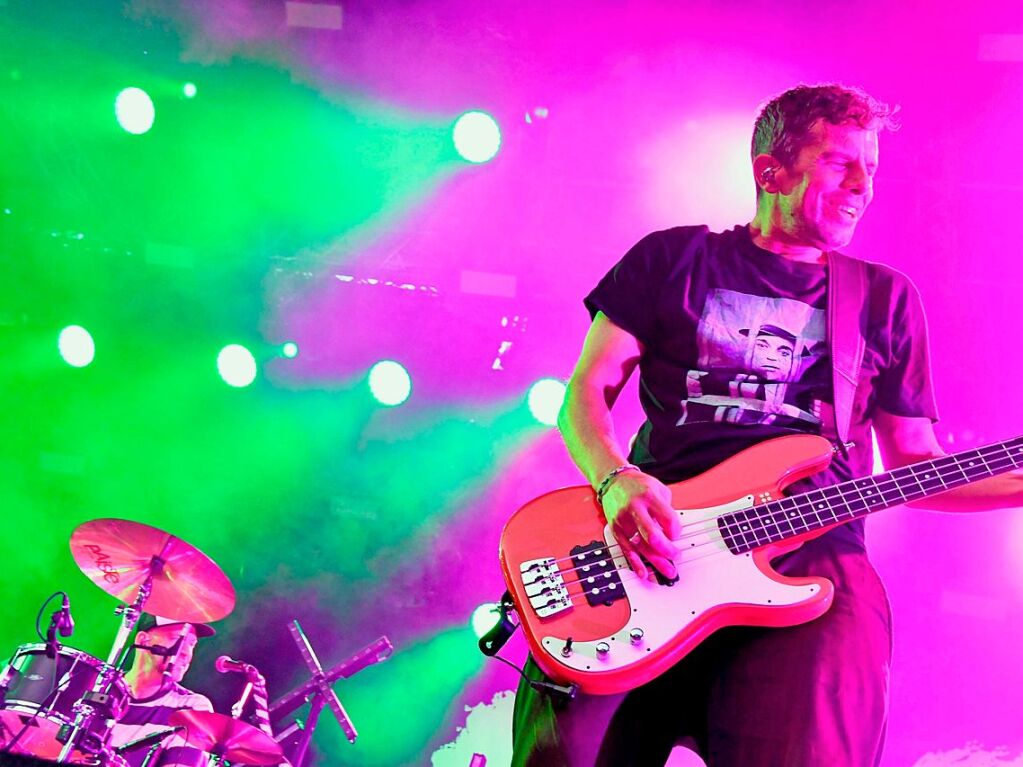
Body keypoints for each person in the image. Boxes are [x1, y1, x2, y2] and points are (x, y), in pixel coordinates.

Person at [510, 83, 1023, 766]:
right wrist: (614, 482)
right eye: (841, 163)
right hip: (652, 542)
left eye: (871, 167)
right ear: (769, 170)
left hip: (814, 564)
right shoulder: (672, 259)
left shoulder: (883, 298)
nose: (862, 185)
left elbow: (913, 465)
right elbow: (584, 394)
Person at [108, 615, 215, 767]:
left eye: (192, 644)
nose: (186, 653)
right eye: (177, 638)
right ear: (143, 640)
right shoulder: (97, 689)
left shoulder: (191, 707)